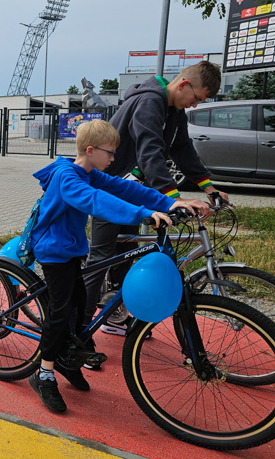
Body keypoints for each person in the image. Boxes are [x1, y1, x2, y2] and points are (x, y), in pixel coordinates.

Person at [26, 119, 207, 413]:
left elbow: (125, 189)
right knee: (60, 312)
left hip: (71, 249)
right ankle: (43, 373)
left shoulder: (89, 172)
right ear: (90, 150)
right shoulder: (67, 177)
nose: (113, 158)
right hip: (53, 251)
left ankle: (66, 360)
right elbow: (95, 201)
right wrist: (143, 215)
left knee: (79, 305)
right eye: (109, 153)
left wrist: (167, 203)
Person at [82, 61, 230, 341]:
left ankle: (117, 319)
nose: (195, 105)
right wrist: (173, 197)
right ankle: (78, 334)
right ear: (184, 85)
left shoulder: (174, 111)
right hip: (107, 189)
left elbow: (182, 149)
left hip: (130, 191)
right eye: (197, 98)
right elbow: (149, 149)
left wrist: (208, 187)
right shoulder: (150, 101)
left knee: (126, 251)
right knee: (101, 258)